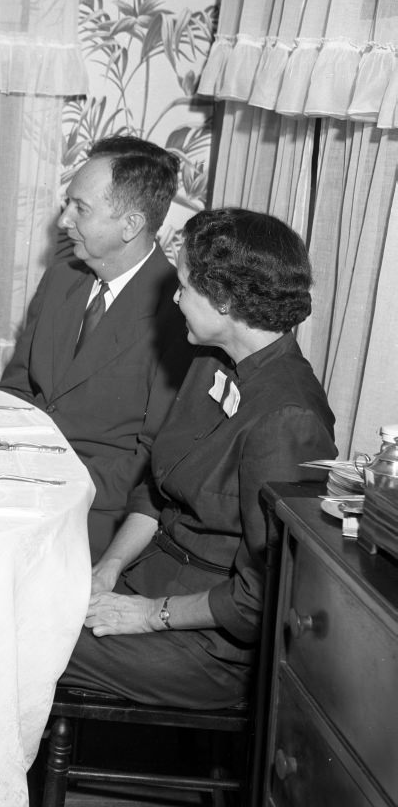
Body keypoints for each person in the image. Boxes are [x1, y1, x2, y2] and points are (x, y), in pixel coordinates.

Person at [58, 208, 336, 708]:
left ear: (225, 300)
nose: (175, 297)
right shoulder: (212, 360)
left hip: (211, 645)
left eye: (184, 285)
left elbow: (259, 598)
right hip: (151, 578)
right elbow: (157, 489)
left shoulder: (287, 418)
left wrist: (146, 615)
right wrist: (109, 567)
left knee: (22, 640)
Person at [0, 135, 194, 557]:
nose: (63, 221)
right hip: (17, 483)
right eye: (67, 203)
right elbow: (16, 386)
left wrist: (50, 480)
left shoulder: (181, 313)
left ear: (131, 225)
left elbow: (153, 462)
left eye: (80, 209)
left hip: (96, 515)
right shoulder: (63, 276)